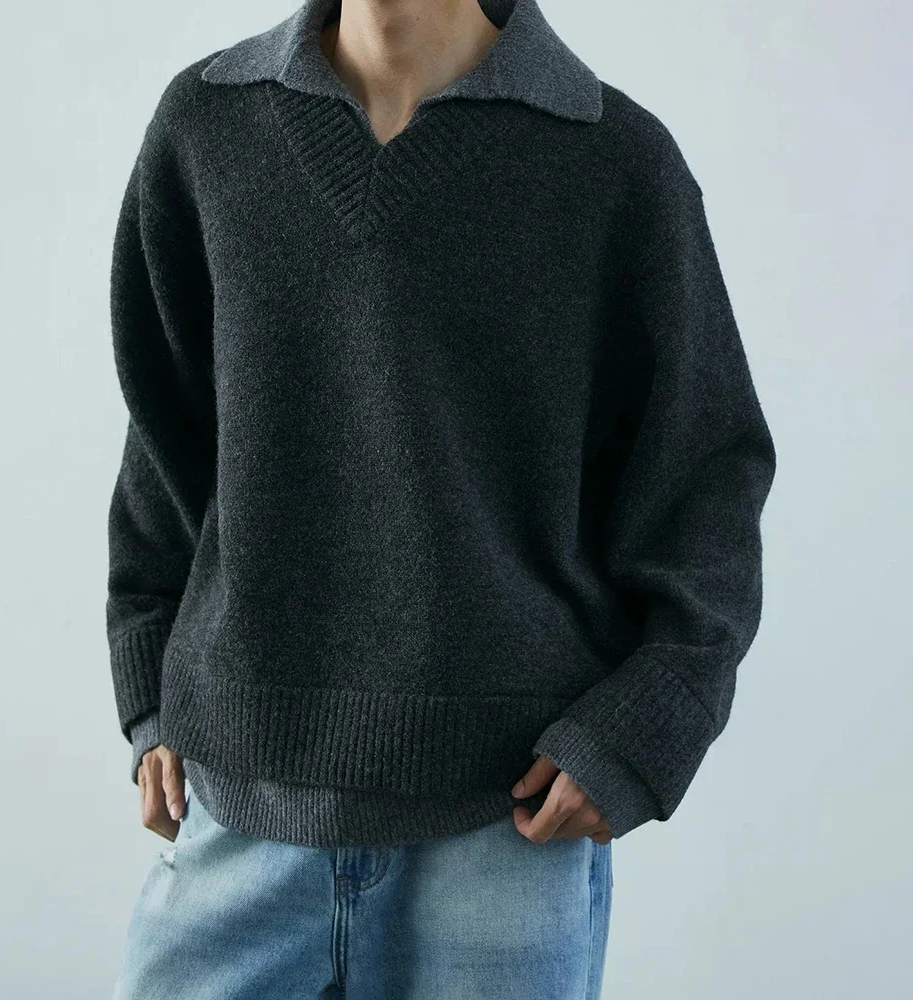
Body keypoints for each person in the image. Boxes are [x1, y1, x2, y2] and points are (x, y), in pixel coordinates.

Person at [105, 0, 777, 996]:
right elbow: (165, 439)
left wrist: (646, 728)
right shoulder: (209, 124)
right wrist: (148, 688)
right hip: (235, 812)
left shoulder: (611, 159)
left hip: (504, 834)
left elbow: (706, 479)